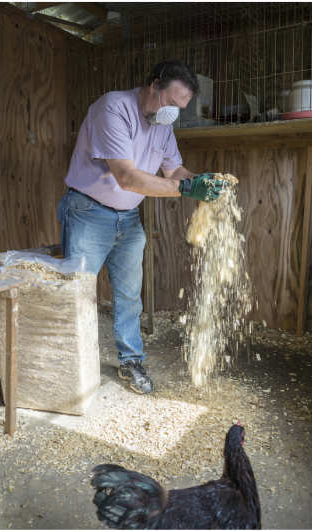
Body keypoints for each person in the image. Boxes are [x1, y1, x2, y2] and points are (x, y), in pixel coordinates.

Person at [57, 59, 225, 395]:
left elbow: (174, 171)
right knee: (77, 294)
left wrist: (201, 181)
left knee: (130, 296)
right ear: (153, 85)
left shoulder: (163, 126)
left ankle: (131, 362)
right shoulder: (113, 108)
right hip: (88, 212)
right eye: (171, 103)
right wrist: (186, 189)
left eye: (181, 108)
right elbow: (127, 177)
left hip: (128, 218)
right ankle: (72, 368)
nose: (173, 113)